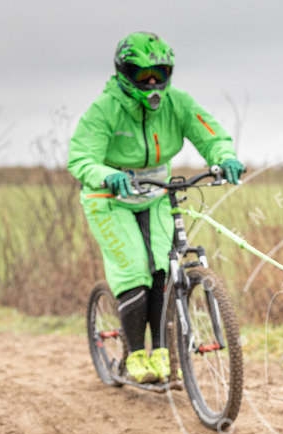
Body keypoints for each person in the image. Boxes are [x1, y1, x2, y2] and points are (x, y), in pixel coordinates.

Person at [68, 31, 245, 383]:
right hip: (109, 198)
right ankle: (135, 356)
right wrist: (105, 174)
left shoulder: (177, 103)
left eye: (160, 74)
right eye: (142, 76)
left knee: (163, 270)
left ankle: (162, 354)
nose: (152, 83)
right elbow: (81, 157)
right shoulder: (104, 110)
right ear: (124, 74)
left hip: (155, 195)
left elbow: (210, 133)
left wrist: (224, 157)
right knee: (134, 271)